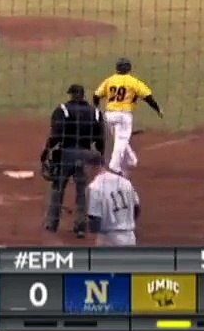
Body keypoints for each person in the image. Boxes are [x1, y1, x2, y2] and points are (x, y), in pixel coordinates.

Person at [41, 84, 106, 237]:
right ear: (83, 95)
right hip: (85, 154)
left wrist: (46, 151)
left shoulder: (63, 110)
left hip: (66, 154)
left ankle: (52, 223)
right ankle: (80, 227)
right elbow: (100, 139)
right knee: (82, 192)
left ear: (71, 95)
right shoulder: (95, 112)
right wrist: (100, 155)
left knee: (58, 188)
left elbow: (56, 134)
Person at [93, 57, 163, 174]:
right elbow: (148, 97)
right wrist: (157, 109)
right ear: (129, 68)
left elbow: (96, 95)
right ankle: (114, 165)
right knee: (121, 140)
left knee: (119, 138)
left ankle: (131, 159)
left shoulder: (109, 80)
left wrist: (96, 109)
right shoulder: (133, 82)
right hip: (124, 115)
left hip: (109, 115)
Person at [86, 153, 140, 245]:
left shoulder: (95, 187)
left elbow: (95, 222)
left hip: (109, 239)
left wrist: (87, 224)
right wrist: (125, 223)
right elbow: (137, 208)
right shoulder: (125, 182)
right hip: (130, 237)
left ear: (92, 167)